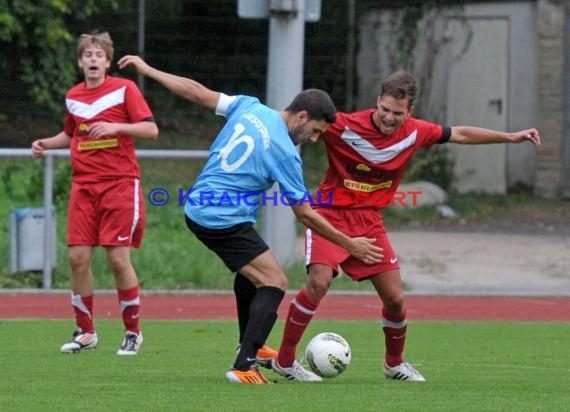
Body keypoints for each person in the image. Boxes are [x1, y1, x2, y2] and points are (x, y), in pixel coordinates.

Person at [117, 55, 383, 384]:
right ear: (302, 116)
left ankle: (250, 344)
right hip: (220, 219)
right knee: (275, 281)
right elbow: (305, 214)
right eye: (315, 131)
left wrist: (148, 69)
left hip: (203, 207)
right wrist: (349, 243)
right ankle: (244, 366)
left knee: (253, 274)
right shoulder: (286, 152)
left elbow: (197, 92)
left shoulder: (250, 107)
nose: (313, 139)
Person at [272, 70, 541, 382]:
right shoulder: (343, 126)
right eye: (384, 109)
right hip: (330, 216)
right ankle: (286, 361)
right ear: (377, 102)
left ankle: (394, 364)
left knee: (396, 299)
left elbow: (461, 134)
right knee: (318, 283)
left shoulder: (416, 132)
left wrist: (509, 137)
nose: (388, 117)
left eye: (397, 113)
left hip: (369, 222)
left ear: (409, 112)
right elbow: (295, 124)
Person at [31, 31, 159, 356]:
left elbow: (150, 129)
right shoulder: (73, 95)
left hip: (119, 183)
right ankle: (85, 332)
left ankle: (133, 332)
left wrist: (118, 127)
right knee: (76, 258)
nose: (93, 59)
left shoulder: (124, 89)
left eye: (98, 54)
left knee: (117, 259)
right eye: (87, 54)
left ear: (107, 61)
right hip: (83, 185)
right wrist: (46, 143)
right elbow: (72, 134)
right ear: (80, 61)